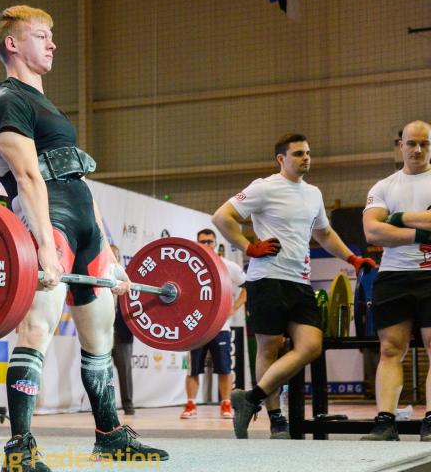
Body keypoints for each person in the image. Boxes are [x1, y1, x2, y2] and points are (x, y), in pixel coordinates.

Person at [0, 5, 167, 472]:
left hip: (84, 226)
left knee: (100, 334)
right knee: (36, 331)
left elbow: (76, 178)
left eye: (51, 36)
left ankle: (109, 435)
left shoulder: (50, 109)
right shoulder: (5, 101)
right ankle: (19, 447)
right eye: (42, 35)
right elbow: (27, 177)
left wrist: (110, 251)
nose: (53, 44)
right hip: (49, 224)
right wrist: (44, 246)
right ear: (12, 44)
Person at [212, 133, 377, 439]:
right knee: (269, 347)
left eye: (308, 153)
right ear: (281, 159)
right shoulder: (264, 187)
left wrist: (353, 258)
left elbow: (324, 234)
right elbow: (222, 217)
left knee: (311, 345)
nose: (306, 158)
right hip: (267, 278)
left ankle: (250, 398)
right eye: (299, 153)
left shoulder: (313, 193)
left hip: (300, 281)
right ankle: (277, 419)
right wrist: (249, 247)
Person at [361, 120, 431, 441]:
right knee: (390, 349)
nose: (417, 149)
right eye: (411, 143)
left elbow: (386, 226)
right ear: (400, 145)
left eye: (424, 144)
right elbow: (373, 231)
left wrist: (399, 218)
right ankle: (385, 422)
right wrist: (421, 233)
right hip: (393, 276)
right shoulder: (383, 187)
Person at [181, 229, 247, 419]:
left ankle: (226, 404)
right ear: (197, 243)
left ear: (216, 244)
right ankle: (190, 405)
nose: (206, 245)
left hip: (221, 327)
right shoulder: (189, 266)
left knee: (225, 368)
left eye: (209, 241)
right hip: (196, 328)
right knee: (193, 369)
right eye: (202, 242)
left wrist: (233, 309)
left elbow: (247, 287)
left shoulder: (228, 266)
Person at [109, 244, 135, 416]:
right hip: (103, 331)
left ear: (118, 259)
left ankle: (128, 405)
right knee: (101, 370)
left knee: (124, 370)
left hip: (122, 333)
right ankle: (103, 405)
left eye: (114, 256)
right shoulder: (97, 278)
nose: (111, 259)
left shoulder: (127, 280)